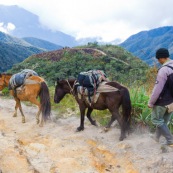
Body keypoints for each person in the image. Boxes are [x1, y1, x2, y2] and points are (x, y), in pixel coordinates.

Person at [148, 48, 173, 146]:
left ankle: (170, 140)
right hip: (172, 102)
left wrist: (151, 102)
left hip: (162, 101)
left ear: (161, 58)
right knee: (163, 121)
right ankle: (156, 138)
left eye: (158, 59)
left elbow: (157, 89)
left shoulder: (164, 70)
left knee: (156, 120)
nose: (158, 61)